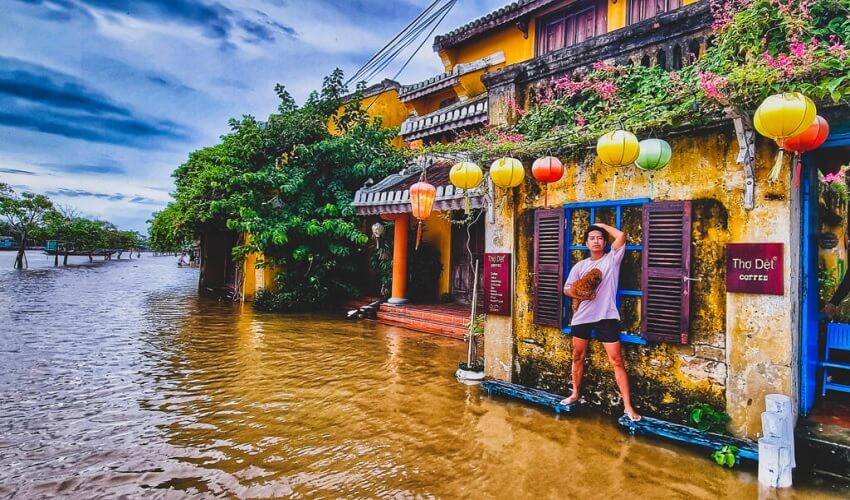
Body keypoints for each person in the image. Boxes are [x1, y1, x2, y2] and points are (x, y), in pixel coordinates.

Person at [560, 222, 641, 422]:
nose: (596, 241)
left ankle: (628, 406)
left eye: (599, 238)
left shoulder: (612, 260)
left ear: (605, 242)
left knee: (617, 361)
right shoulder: (580, 266)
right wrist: (579, 293)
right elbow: (566, 289)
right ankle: (576, 393)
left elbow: (621, 236)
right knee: (577, 356)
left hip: (606, 316)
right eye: (592, 238)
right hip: (582, 317)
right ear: (586, 243)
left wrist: (600, 225)